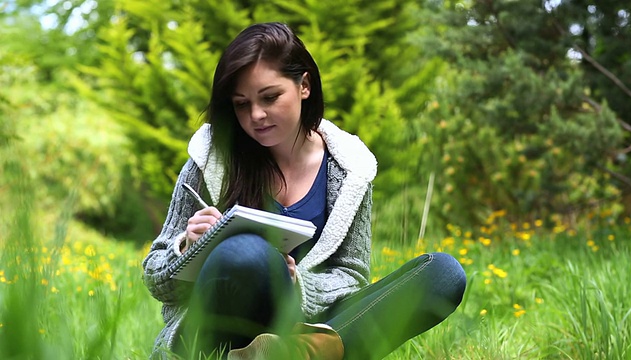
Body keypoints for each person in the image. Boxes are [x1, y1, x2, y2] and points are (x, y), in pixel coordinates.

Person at [142, 22, 466, 360]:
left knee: (442, 274)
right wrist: (188, 249)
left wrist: (300, 284)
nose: (256, 115)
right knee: (244, 254)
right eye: (241, 104)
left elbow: (351, 276)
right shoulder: (212, 157)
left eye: (270, 97)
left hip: (303, 319)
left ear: (304, 86)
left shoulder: (349, 169)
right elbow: (155, 277)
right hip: (216, 333)